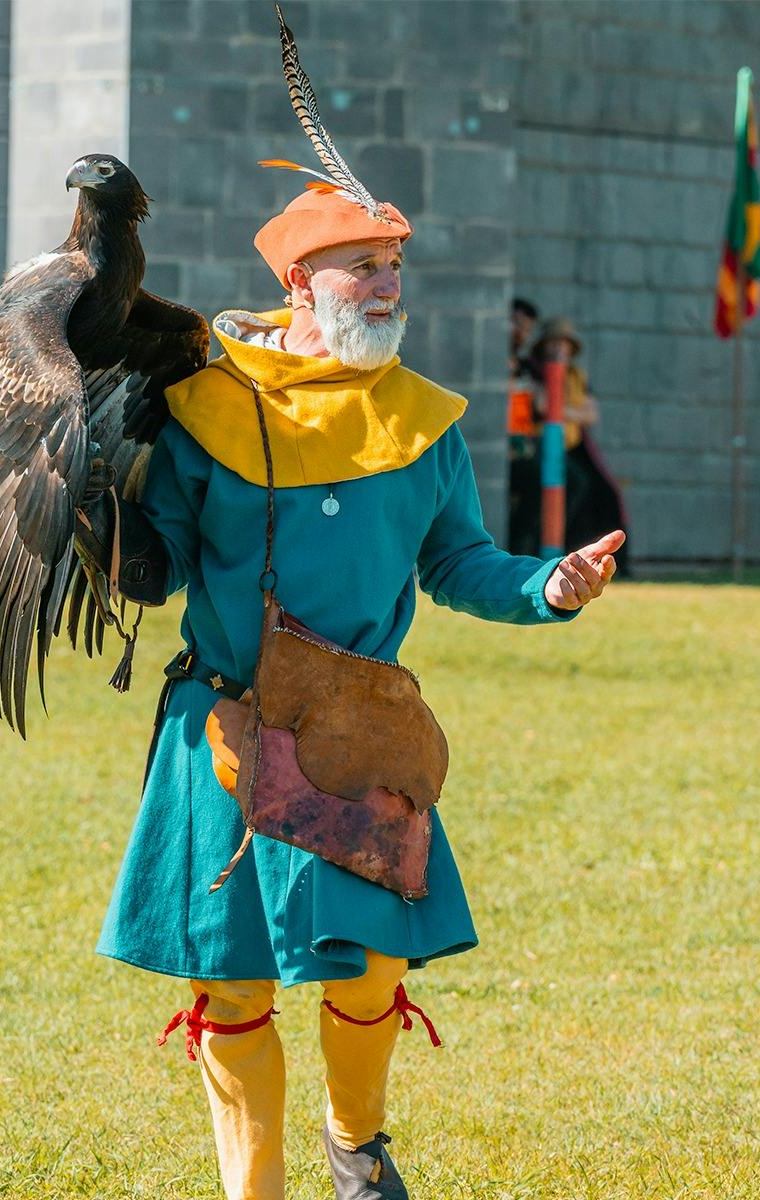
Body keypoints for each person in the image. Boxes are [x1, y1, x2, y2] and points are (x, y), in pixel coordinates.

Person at [79, 122, 625, 1200]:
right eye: (363, 269)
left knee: (369, 964)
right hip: (226, 729)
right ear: (298, 281)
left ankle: (354, 1141)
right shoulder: (203, 409)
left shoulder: (420, 424)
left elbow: (459, 560)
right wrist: (104, 523)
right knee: (230, 989)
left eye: (394, 269)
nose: (387, 287)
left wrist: (548, 587)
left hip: (359, 731)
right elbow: (161, 562)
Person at [526, 317, 631, 575]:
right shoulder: (533, 370)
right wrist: (569, 410)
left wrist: (561, 410)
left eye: (564, 344)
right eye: (554, 343)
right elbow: (541, 405)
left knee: (605, 492)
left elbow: (591, 413)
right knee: (571, 484)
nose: (559, 349)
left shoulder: (576, 375)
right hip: (541, 446)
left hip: (573, 445)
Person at [506, 297, 543, 557]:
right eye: (517, 324)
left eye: (526, 328)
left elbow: (544, 404)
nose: (521, 332)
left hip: (523, 446)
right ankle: (518, 548)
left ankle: (525, 548)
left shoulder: (526, 366)